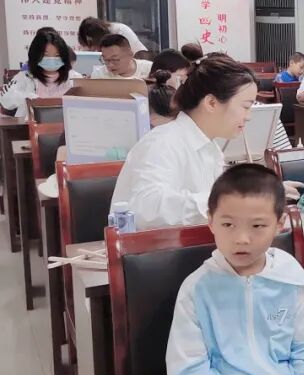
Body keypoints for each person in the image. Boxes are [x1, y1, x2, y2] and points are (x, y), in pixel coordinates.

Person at [166, 164, 304, 375]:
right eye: (228, 224)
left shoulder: (290, 277)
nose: (242, 238)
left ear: (279, 224)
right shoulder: (197, 289)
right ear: (211, 221)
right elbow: (189, 369)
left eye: (257, 226)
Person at [111, 56, 257, 229]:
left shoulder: (211, 148)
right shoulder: (162, 143)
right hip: (152, 245)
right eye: (246, 107)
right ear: (211, 103)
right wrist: (226, 201)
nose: (249, 116)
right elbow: (145, 209)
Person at [0, 29, 82, 119]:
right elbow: (5, 100)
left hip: (67, 125)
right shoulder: (26, 77)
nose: (52, 59)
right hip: (31, 125)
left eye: (57, 56)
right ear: (35, 55)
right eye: (46, 55)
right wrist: (26, 97)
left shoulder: (75, 78)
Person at [78, 17, 147, 55]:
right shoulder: (90, 42)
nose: (92, 48)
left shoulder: (120, 31)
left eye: (92, 44)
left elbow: (133, 55)